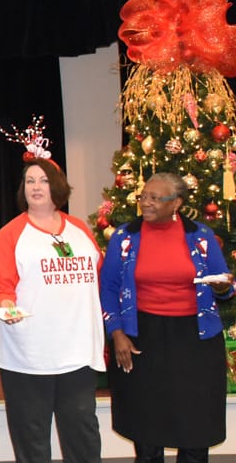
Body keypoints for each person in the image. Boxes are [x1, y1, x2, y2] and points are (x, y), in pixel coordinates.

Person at [100, 172, 232, 463]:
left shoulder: (201, 236)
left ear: (176, 203)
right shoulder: (124, 237)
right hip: (142, 336)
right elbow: (108, 288)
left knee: (196, 422)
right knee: (147, 424)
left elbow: (224, 284)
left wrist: (223, 287)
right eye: (143, 196)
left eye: (155, 198)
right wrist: (117, 332)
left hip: (195, 338)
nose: (146, 203)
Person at [0, 159, 105, 463]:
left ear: (58, 185)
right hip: (29, 355)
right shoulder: (10, 234)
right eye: (30, 181)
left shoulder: (80, 229)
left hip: (78, 351)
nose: (36, 187)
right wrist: (6, 305)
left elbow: (100, 277)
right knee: (32, 440)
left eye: (43, 180)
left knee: (83, 434)